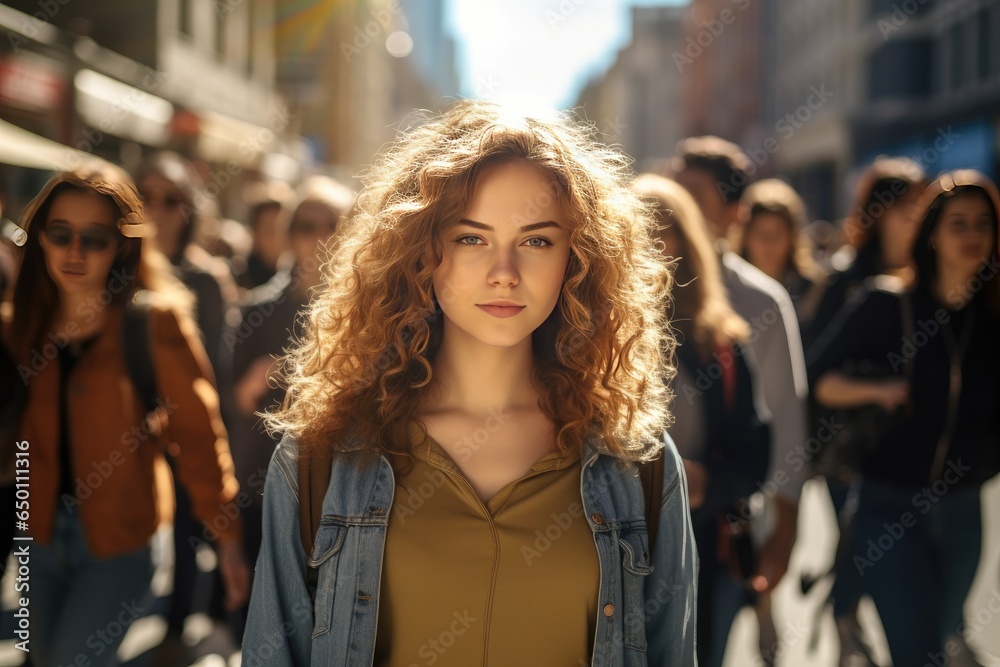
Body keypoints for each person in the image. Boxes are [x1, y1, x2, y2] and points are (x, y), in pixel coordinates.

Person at [243, 100, 698, 665]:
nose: (504, 271)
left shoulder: (639, 465)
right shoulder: (324, 457)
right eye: (470, 238)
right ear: (422, 251)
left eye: (536, 240)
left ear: (577, 257)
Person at [0, 161, 250, 666]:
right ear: (38, 237)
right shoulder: (18, 323)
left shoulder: (152, 324)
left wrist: (227, 541)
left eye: (94, 239)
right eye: (59, 233)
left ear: (122, 245)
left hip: (118, 545)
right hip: (36, 539)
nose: (73, 252)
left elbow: (199, 436)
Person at [807, 169, 1000, 666]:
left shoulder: (993, 317)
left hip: (963, 511)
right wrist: (879, 388)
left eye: (983, 223)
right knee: (919, 653)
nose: (973, 235)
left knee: (941, 635)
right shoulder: (885, 304)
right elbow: (820, 380)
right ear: (932, 233)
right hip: (887, 508)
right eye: (958, 223)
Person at [672, 136, 808, 665]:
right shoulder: (628, 288)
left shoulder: (760, 301)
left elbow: (788, 421)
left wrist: (786, 530)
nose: (677, 209)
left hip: (720, 528)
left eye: (694, 197)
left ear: (735, 213)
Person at [633, 174, 772, 665]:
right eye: (635, 227)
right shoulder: (585, 339)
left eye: (663, 228)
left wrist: (707, 479)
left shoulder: (722, 345)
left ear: (686, 243)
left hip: (700, 545)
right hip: (610, 546)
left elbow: (756, 452)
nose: (649, 240)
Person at [226, 175, 354, 643]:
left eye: (330, 225)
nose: (317, 238)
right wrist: (258, 380)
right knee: (264, 630)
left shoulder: (370, 315)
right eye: (304, 224)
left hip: (342, 495)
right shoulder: (257, 310)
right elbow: (231, 406)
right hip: (263, 488)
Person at [804, 156, 927, 349]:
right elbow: (817, 361)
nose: (915, 218)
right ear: (878, 212)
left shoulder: (926, 276)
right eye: (905, 207)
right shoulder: (844, 281)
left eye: (922, 208)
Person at [734, 178, 827, 333]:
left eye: (777, 233)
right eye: (760, 233)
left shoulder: (814, 290)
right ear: (745, 236)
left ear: (792, 237)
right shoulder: (730, 289)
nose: (768, 242)